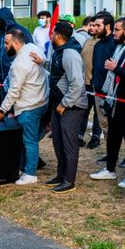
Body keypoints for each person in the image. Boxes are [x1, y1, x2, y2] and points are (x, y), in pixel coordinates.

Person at [90, 18, 125, 187]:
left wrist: (116, 69)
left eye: (116, 29)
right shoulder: (119, 46)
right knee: (113, 137)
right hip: (115, 100)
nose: (113, 33)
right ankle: (110, 169)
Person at [33, 21, 88, 193]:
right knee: (57, 141)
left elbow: (77, 84)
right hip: (58, 104)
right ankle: (60, 174)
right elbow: (57, 69)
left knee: (68, 144)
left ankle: (69, 180)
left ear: (58, 35)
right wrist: (42, 61)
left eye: (52, 32)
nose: (50, 35)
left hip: (71, 106)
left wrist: (65, 104)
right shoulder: (59, 52)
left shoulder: (70, 53)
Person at [0, 27, 48, 185]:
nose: (4, 46)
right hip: (41, 101)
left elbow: (13, 92)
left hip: (29, 107)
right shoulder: (32, 48)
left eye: (6, 43)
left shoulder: (19, 64)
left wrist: (2, 111)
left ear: (16, 43)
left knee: (29, 140)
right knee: (30, 138)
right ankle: (24, 166)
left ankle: (30, 173)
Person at [89, 11, 116, 156]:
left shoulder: (115, 44)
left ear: (108, 26)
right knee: (103, 125)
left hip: (111, 93)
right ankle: (110, 153)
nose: (95, 28)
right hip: (97, 90)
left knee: (114, 126)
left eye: (98, 25)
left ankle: (114, 155)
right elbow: (95, 66)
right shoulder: (98, 45)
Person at [77, 16, 100, 147]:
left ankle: (95, 137)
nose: (92, 28)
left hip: (95, 84)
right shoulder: (87, 41)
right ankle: (80, 136)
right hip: (84, 82)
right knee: (83, 110)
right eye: (90, 25)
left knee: (98, 112)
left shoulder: (102, 43)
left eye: (94, 26)